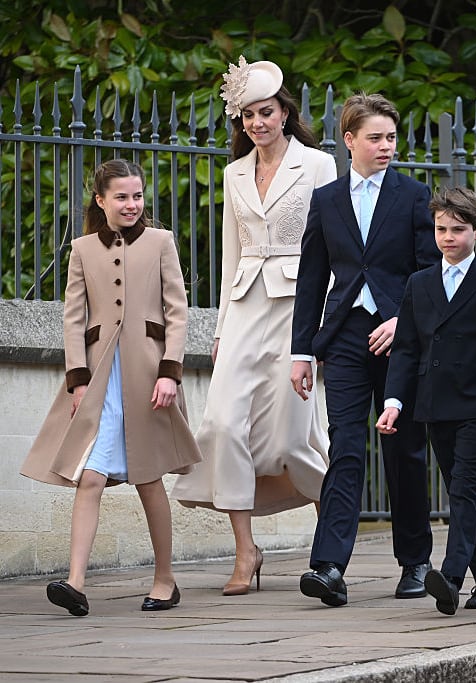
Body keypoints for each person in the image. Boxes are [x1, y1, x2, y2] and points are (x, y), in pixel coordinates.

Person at [171, 57, 336, 596]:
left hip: (299, 308)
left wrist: (324, 329)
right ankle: (246, 551)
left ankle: (330, 549)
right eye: (248, 116)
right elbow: (231, 253)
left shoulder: (317, 165)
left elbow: (333, 248)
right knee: (221, 426)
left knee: (294, 434)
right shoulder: (233, 173)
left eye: (266, 112)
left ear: (285, 113)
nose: (257, 123)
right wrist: (220, 326)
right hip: (243, 309)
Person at [20, 159, 202, 616]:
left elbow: (177, 311)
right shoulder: (81, 249)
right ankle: (75, 583)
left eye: (137, 196)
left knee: (147, 477)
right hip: (101, 380)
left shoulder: (161, 243)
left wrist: (169, 371)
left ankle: (166, 579)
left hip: (147, 377)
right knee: (91, 476)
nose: (131, 204)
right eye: (121, 196)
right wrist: (77, 380)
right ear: (100, 201)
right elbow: (74, 318)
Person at [290, 93, 437, 607]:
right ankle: (328, 565)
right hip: (347, 336)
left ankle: (415, 561)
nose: (386, 146)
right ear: (349, 140)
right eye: (375, 137)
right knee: (346, 448)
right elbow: (311, 279)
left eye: (391, 137)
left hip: (401, 337)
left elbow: (428, 272)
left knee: (403, 449)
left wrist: (405, 322)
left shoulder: (415, 195)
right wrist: (302, 351)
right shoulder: (326, 199)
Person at [375, 186, 476, 616]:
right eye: (441, 229)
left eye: (458, 229)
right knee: (461, 490)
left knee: (464, 487)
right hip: (434, 403)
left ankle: (451, 576)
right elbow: (407, 348)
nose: (448, 237)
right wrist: (394, 401)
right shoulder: (420, 282)